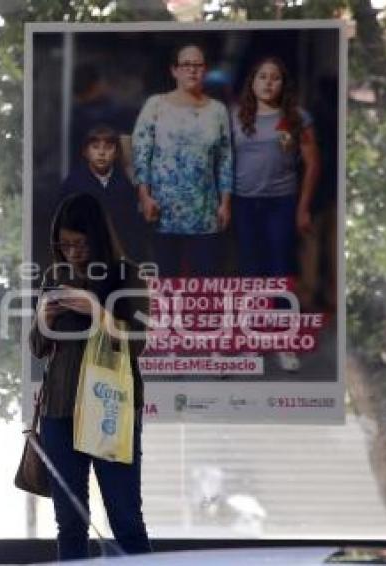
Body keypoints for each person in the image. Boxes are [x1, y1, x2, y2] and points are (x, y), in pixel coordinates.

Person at [29, 193, 151, 560]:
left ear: (96, 238)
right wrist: (43, 322)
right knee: (69, 522)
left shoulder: (127, 274)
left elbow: (137, 344)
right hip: (59, 410)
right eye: (64, 244)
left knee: (125, 518)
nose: (72, 253)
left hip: (110, 409)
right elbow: (38, 348)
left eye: (79, 244)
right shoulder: (55, 276)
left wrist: (99, 312)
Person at [231, 57, 320, 372]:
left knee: (281, 274)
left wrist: (303, 207)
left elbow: (313, 164)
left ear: (284, 84)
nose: (268, 83)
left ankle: (284, 342)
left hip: (281, 204)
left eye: (275, 78)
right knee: (251, 276)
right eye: (262, 77)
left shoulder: (297, 117)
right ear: (252, 83)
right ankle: (253, 343)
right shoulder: (235, 117)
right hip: (244, 205)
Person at [132, 43, 233, 277]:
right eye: (186, 65)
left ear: (205, 70)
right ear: (174, 71)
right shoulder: (156, 105)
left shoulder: (218, 110)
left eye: (198, 65)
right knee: (167, 282)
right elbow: (141, 153)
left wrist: (225, 202)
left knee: (204, 284)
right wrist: (144, 196)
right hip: (163, 212)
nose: (192, 71)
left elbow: (225, 158)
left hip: (205, 213)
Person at [60, 124, 149, 263]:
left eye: (108, 148)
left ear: (117, 153)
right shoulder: (73, 184)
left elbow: (133, 226)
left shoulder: (125, 183)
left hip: (123, 253)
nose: (101, 153)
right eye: (95, 147)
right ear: (85, 152)